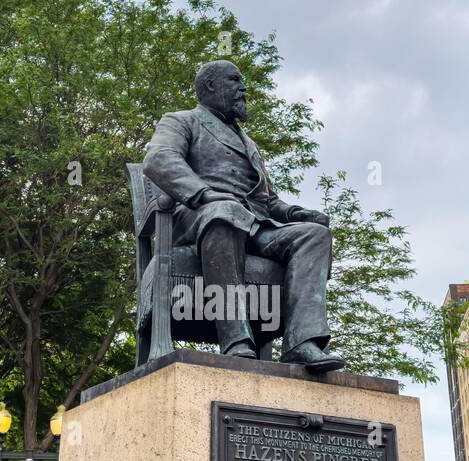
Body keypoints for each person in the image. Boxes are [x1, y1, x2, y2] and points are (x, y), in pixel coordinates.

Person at [141, 60, 343, 373]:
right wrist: (205, 195)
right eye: (235, 80)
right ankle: (236, 340)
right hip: (200, 217)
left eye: (243, 82)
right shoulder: (182, 121)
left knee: (314, 235)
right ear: (209, 86)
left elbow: (265, 199)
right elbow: (159, 158)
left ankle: (302, 343)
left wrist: (295, 213)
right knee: (227, 212)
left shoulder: (248, 143)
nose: (243, 88)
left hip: (256, 227)